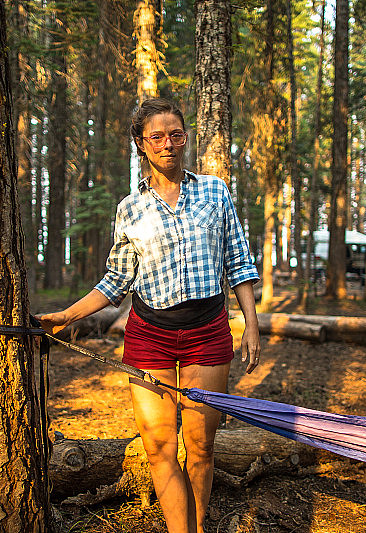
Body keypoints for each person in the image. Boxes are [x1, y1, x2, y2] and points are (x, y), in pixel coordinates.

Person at [39, 97, 260, 533]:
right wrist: (68, 314)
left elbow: (239, 261)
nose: (168, 144)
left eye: (176, 134)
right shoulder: (130, 208)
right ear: (141, 144)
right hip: (150, 336)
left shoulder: (215, 192)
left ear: (186, 138)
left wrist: (251, 323)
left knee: (200, 447)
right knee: (159, 447)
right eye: (156, 137)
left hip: (207, 333)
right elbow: (116, 280)